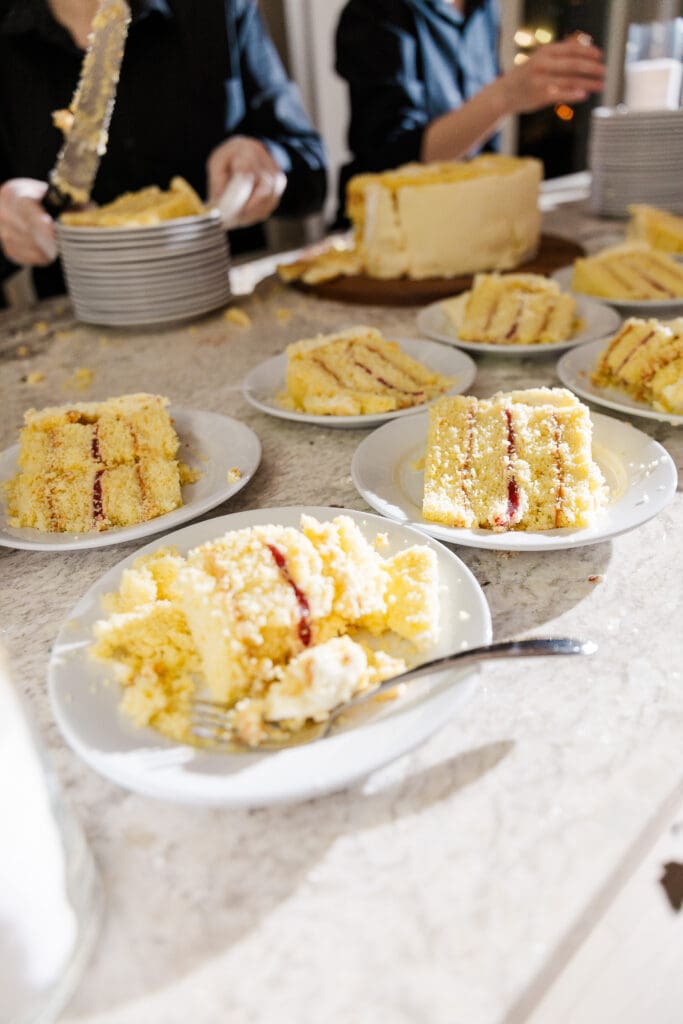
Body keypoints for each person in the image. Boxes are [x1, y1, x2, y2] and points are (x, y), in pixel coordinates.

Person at [0, 0, 326, 301]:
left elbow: (310, 169)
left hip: (226, 303)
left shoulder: (216, 8)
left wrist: (268, 160)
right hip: (78, 320)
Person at [335, 0, 604, 209]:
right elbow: (395, 164)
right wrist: (506, 95)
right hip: (391, 228)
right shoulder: (375, 12)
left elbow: (483, 144)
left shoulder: (483, 8)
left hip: (463, 216)